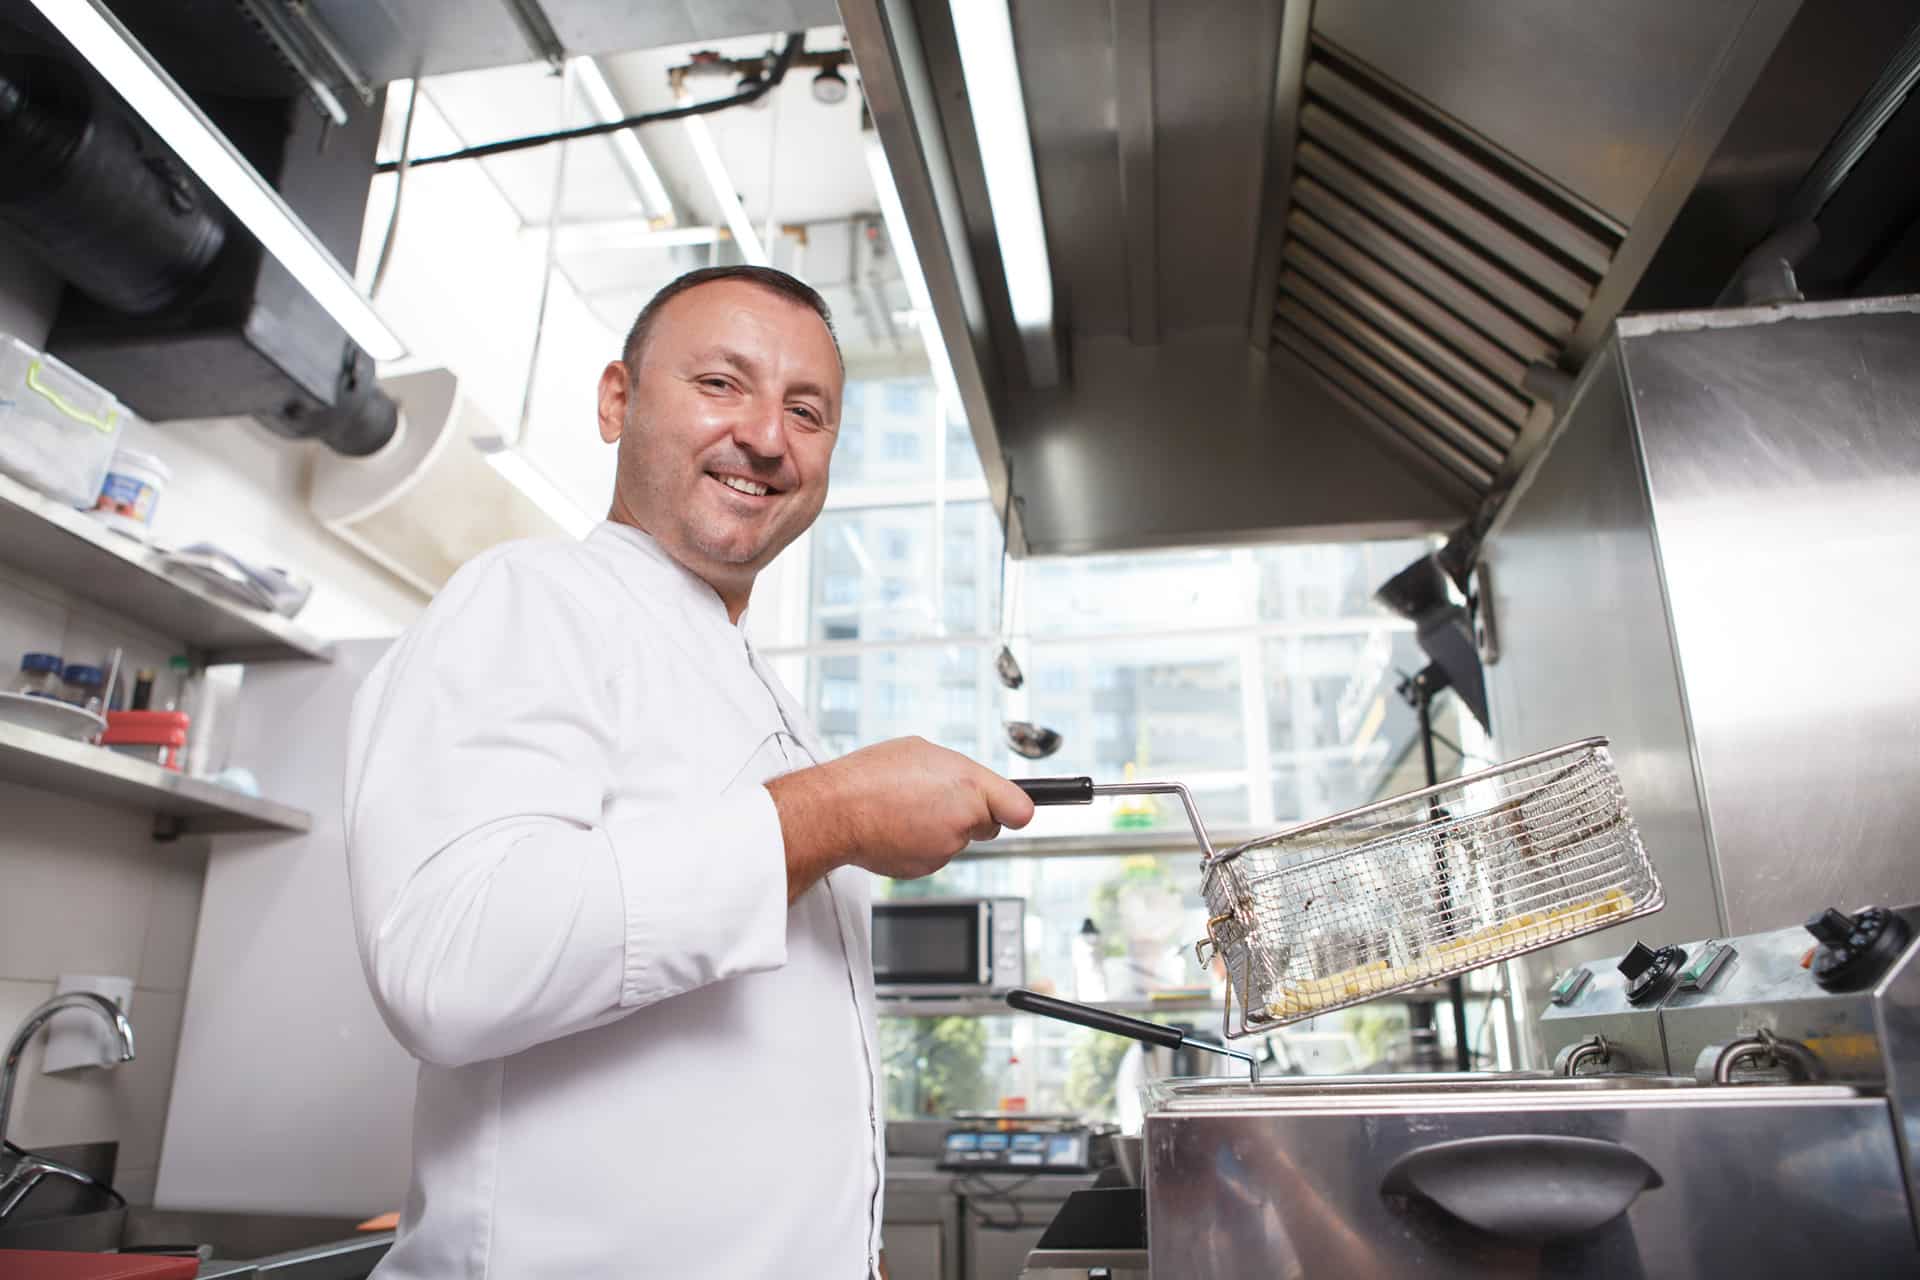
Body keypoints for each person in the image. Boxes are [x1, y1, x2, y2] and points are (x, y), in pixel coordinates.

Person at [344, 265, 1036, 1278]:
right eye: (722, 383)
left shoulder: (766, 698)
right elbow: (445, 964)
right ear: (617, 399)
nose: (766, 435)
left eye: (807, 411)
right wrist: (831, 812)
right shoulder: (532, 599)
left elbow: (758, 1075)